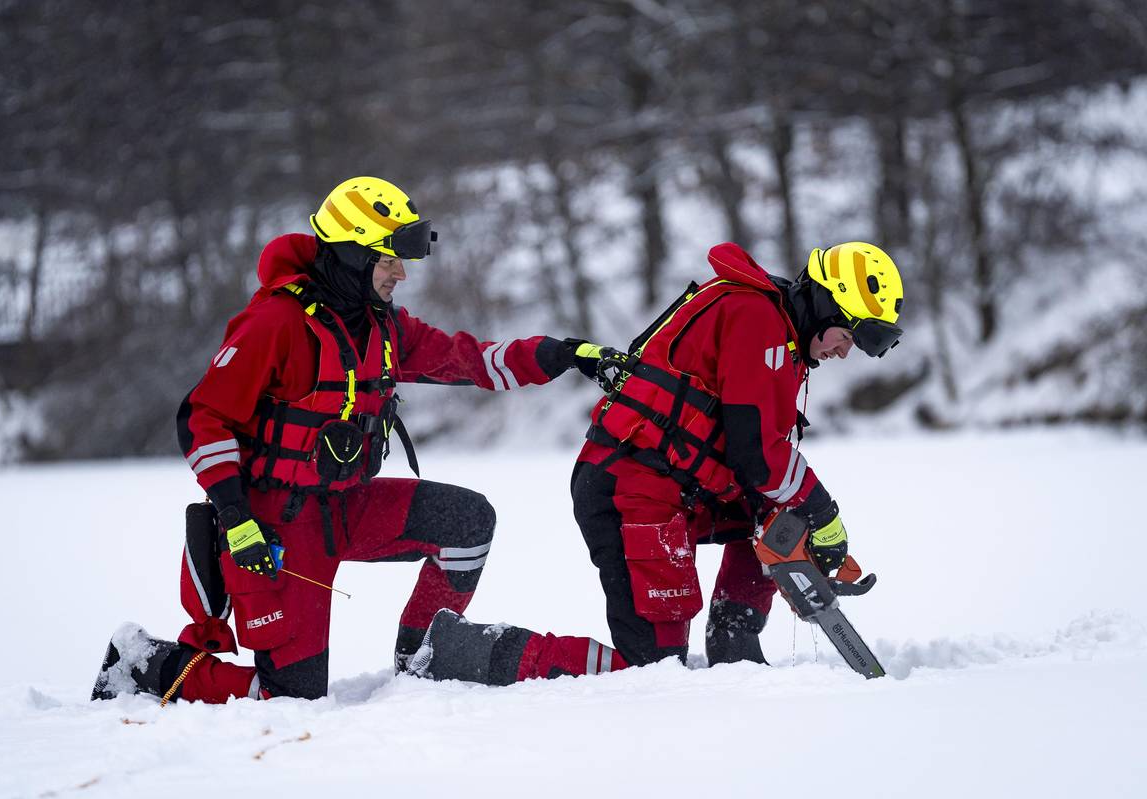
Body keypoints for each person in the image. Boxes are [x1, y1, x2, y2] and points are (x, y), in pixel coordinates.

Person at [92, 176, 606, 703]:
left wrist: (562, 354)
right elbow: (203, 419)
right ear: (353, 254)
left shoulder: (382, 326)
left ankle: (421, 654)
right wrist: (236, 517)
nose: (401, 274)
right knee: (289, 700)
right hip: (275, 527)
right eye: (388, 261)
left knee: (468, 522)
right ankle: (138, 663)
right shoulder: (275, 323)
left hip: (346, 506)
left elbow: (469, 358)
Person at [410, 240, 904, 683]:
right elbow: (757, 455)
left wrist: (799, 529)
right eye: (847, 336)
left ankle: (735, 640)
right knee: (651, 669)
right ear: (825, 304)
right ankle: (456, 650)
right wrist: (823, 512)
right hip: (632, 485)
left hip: (680, 488)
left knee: (775, 518)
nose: (844, 352)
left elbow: (758, 467)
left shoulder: (781, 338)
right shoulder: (755, 317)